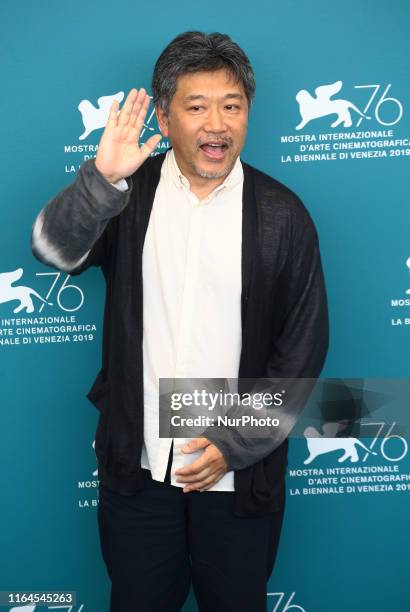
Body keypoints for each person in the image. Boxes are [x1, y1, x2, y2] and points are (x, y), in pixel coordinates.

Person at [31, 31, 329, 612]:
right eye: (197, 107)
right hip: (137, 471)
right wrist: (101, 180)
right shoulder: (126, 196)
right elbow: (51, 251)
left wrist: (233, 443)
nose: (217, 122)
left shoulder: (282, 214)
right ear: (164, 120)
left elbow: (303, 349)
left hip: (238, 478)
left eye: (232, 105)